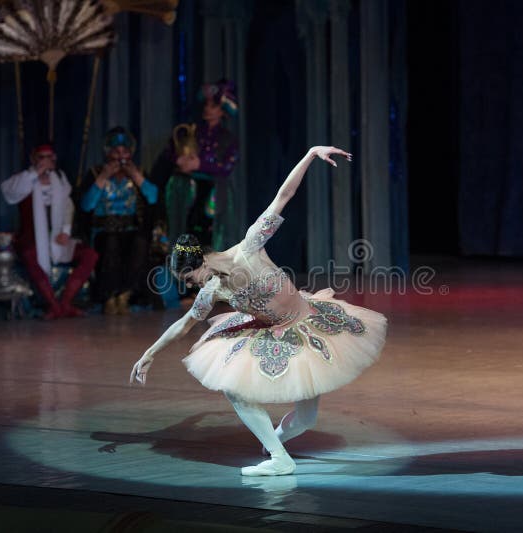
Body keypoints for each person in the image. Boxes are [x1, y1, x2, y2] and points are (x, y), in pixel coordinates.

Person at [130, 146, 387, 476]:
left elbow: (284, 195)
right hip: (268, 331)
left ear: (201, 262)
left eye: (190, 278)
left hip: (307, 325)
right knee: (233, 387)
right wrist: (150, 352)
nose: (192, 286)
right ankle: (280, 458)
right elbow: (184, 324)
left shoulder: (248, 249)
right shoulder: (213, 289)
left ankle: (275, 446)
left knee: (306, 419)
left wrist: (309, 154)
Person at [1, 143, 99, 319]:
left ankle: (65, 302)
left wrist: (66, 231)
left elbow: (68, 206)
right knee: (30, 255)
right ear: (34, 159)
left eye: (50, 157)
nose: (47, 161)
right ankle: (53, 305)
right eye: (42, 157)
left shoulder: (59, 179)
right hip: (32, 238)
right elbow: (9, 193)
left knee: (90, 255)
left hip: (56, 239)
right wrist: (34, 173)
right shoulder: (26, 180)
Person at [81, 127, 159, 314]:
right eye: (116, 152)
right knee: (111, 242)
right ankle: (109, 296)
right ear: (108, 153)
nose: (120, 156)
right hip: (104, 230)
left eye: (125, 152)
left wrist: (137, 177)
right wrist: (103, 177)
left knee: (140, 243)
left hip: (130, 229)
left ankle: (125, 295)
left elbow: (153, 197)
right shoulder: (95, 173)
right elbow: (86, 205)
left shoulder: (137, 173)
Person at [167, 79, 239, 248]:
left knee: (209, 233)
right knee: (185, 230)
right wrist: (179, 160)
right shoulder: (192, 131)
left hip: (212, 189)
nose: (208, 109)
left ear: (222, 111)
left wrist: (201, 164)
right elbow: (171, 151)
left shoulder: (227, 138)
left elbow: (227, 167)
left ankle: (209, 269)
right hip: (188, 187)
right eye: (206, 105)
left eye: (213, 107)